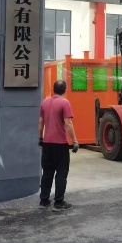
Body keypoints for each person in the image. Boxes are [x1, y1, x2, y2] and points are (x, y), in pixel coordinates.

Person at [38, 80, 79, 211]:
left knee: (47, 172)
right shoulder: (64, 103)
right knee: (61, 172)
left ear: (53, 89)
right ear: (65, 90)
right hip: (60, 144)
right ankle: (59, 202)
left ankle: (44, 201)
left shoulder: (44, 102)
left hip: (47, 143)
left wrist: (40, 138)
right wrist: (75, 141)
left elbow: (40, 122)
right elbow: (68, 123)